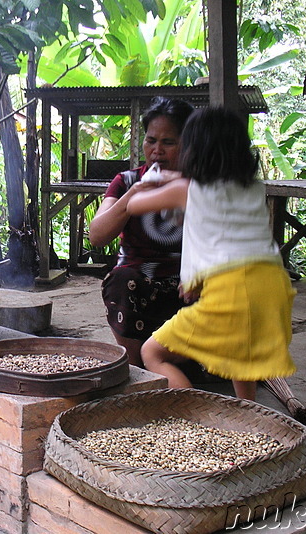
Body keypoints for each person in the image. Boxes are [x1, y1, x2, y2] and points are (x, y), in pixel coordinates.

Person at [125, 106, 297, 401]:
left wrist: (150, 183)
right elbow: (220, 236)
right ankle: (245, 417)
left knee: (152, 353)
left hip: (232, 291)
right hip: (273, 284)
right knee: (241, 362)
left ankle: (200, 416)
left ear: (193, 150)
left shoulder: (186, 188)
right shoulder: (253, 188)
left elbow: (133, 207)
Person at [89, 97, 194, 366]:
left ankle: (182, 357)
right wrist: (133, 196)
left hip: (187, 288)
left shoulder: (200, 185)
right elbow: (97, 236)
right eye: (151, 141)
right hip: (138, 287)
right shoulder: (126, 182)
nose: (157, 150)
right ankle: (137, 370)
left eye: (168, 142)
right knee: (121, 280)